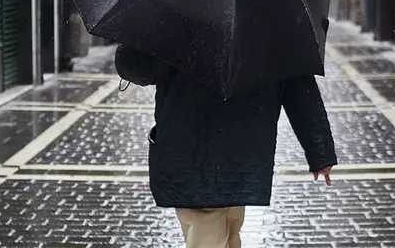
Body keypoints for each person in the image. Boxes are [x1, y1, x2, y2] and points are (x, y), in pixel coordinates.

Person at [115, 40, 337, 248]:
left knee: (210, 229)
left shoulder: (175, 9)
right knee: (228, 231)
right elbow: (298, 83)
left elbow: (138, 68)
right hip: (241, 152)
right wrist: (320, 150)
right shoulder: (269, 14)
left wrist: (131, 46)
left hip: (189, 148)